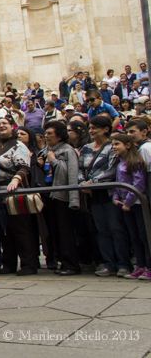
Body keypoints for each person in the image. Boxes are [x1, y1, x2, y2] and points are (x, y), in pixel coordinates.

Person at [78, 116, 128, 278]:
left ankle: (123, 264)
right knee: (101, 231)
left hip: (109, 194)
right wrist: (82, 183)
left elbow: (112, 170)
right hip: (93, 195)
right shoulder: (85, 148)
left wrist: (92, 182)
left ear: (106, 129)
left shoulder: (111, 147)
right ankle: (108, 263)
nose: (91, 131)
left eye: (95, 128)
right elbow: (79, 168)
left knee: (117, 229)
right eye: (90, 128)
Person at [0, 119, 38, 275]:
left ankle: (29, 264)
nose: (1, 126)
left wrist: (16, 179)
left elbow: (24, 167)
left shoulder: (19, 146)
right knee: (6, 232)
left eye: (5, 123)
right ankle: (9, 263)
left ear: (12, 128)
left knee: (22, 230)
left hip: (16, 192)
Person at [111, 133, 151, 280]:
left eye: (117, 144)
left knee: (143, 235)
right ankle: (140, 266)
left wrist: (128, 202)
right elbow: (117, 183)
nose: (114, 147)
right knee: (134, 236)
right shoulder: (120, 162)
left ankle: (149, 266)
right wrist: (116, 198)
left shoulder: (136, 162)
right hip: (124, 204)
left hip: (137, 204)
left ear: (128, 145)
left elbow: (139, 184)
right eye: (113, 144)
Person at [44, 120, 81, 275]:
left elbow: (70, 173)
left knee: (65, 231)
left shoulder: (67, 150)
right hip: (49, 195)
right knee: (54, 231)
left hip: (63, 196)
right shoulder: (46, 150)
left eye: (50, 133)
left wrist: (53, 160)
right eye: (45, 133)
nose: (46, 136)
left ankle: (71, 264)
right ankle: (60, 261)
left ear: (59, 136)